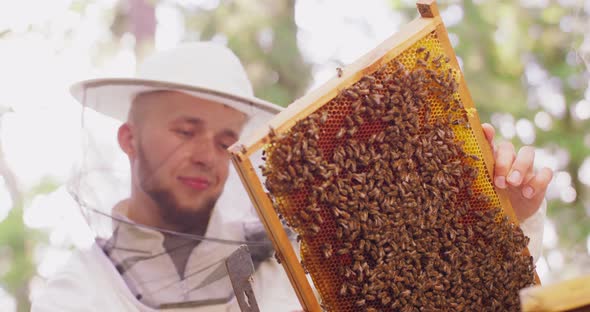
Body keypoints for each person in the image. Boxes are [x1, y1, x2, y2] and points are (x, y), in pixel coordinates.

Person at [32, 42, 551, 311]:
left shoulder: (284, 261)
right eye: (185, 130)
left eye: (223, 140)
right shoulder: (76, 295)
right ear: (129, 140)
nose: (204, 155)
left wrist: (505, 218)